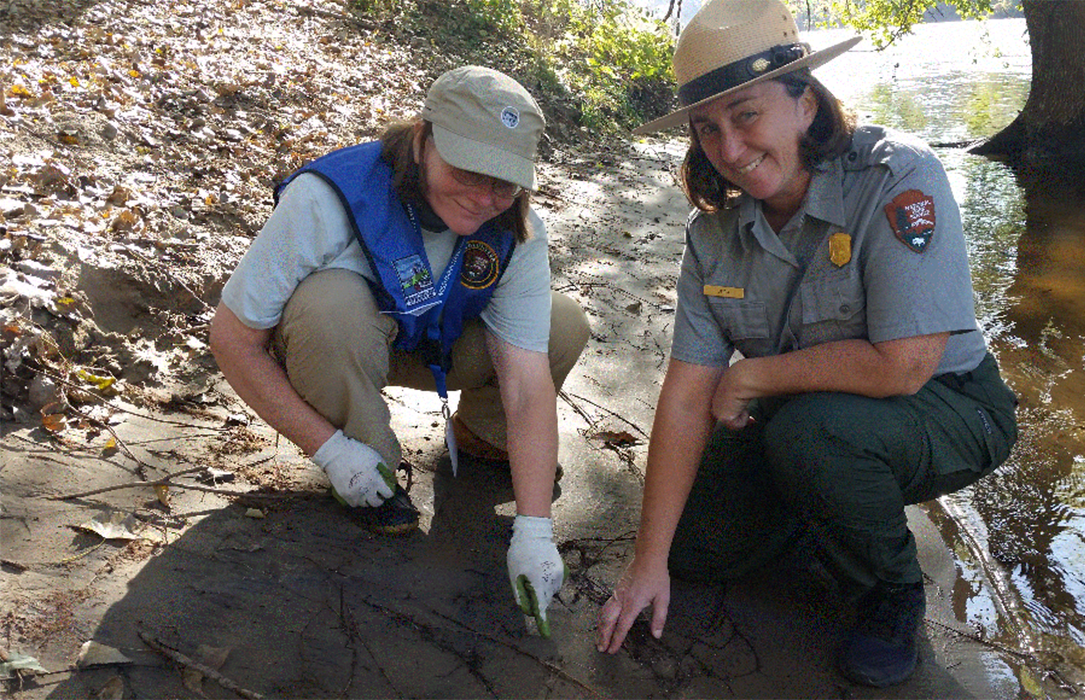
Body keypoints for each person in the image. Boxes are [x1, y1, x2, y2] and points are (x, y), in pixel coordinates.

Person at [596, 0, 1018, 687]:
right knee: (694, 547)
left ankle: (890, 592)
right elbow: (684, 397)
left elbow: (908, 364)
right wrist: (645, 562)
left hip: (950, 404)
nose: (729, 150)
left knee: (814, 440)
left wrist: (756, 376)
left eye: (746, 115)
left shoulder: (897, 177)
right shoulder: (711, 240)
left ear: (806, 104)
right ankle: (823, 504)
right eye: (708, 129)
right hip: (805, 412)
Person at [209, 66, 590, 636]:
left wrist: (535, 527)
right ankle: (369, 466)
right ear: (421, 140)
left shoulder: (514, 228)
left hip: (436, 341)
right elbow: (233, 338)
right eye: (470, 170)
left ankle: (483, 437)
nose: (486, 198)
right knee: (330, 308)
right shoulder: (327, 198)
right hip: (343, 342)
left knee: (561, 323)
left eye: (506, 182)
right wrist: (329, 451)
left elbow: (527, 381)